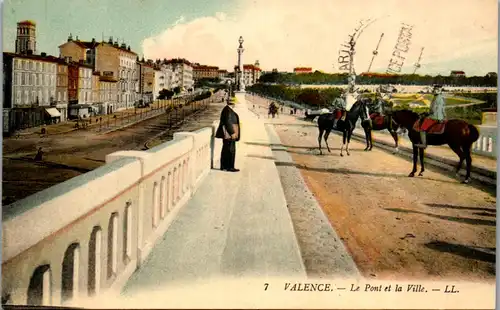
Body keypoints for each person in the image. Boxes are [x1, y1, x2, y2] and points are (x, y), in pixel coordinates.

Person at [215, 94, 241, 172]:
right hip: (229, 134)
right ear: (232, 103)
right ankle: (230, 167)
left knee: (226, 150)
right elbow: (228, 122)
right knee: (230, 150)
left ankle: (224, 166)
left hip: (228, 134)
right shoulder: (228, 110)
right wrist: (232, 133)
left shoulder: (227, 109)